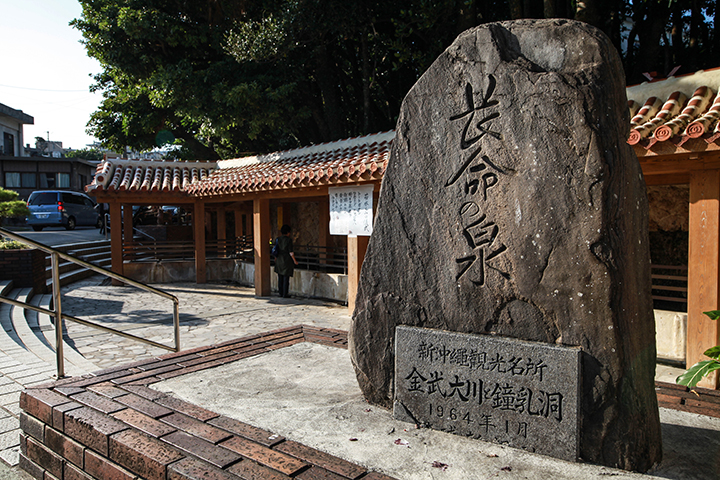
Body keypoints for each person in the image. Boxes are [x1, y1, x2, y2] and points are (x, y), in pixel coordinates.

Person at [274, 224, 298, 298]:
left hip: (279, 259)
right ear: (288, 232)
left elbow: (276, 249)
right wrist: (295, 261)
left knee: (280, 277)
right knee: (286, 278)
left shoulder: (278, 239)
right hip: (286, 260)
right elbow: (291, 252)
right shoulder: (288, 240)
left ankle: (280, 292)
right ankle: (285, 293)